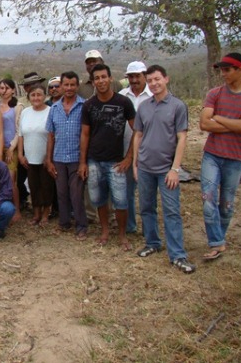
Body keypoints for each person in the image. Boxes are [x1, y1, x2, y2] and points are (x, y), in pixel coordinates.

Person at [199, 52, 241, 261]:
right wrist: (235, 123)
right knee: (208, 199)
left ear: (240, 69)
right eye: (222, 70)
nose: (223, 73)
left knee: (226, 204)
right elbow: (205, 124)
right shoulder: (214, 94)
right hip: (212, 155)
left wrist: (218, 117)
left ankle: (219, 240)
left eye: (227, 69)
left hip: (235, 157)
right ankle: (216, 243)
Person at [133, 65, 196, 273]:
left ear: (166, 79)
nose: (154, 84)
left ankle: (177, 255)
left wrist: (175, 169)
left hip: (166, 169)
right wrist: (135, 163)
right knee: (146, 207)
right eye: (150, 80)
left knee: (171, 211)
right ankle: (152, 242)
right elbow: (138, 136)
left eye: (157, 79)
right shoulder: (144, 107)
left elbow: (182, 138)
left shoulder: (177, 106)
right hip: (145, 167)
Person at [79, 63, 135, 251]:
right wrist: (83, 162)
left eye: (104, 77)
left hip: (116, 161)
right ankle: (104, 231)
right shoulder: (89, 105)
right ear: (93, 81)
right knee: (99, 199)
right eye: (97, 78)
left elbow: (138, 131)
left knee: (121, 201)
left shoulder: (124, 103)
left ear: (110, 78)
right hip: (94, 160)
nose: (101, 81)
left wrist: (129, 158)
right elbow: (85, 135)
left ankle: (122, 234)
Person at [45, 71, 88, 240]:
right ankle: (64, 223)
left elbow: (86, 135)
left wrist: (84, 161)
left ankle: (81, 226)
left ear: (77, 86)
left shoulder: (84, 106)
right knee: (61, 192)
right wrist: (48, 160)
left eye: (72, 85)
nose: (69, 88)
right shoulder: (54, 109)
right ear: (61, 86)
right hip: (59, 158)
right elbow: (50, 136)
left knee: (76, 194)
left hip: (77, 158)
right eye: (66, 85)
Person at [119, 62, 152, 234]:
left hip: (150, 151)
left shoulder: (154, 95)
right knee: (127, 191)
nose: (133, 80)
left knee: (147, 192)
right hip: (126, 149)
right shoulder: (122, 96)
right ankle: (130, 226)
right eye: (130, 76)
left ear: (145, 75)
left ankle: (149, 228)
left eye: (137, 76)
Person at [18, 85, 53, 226]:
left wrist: (48, 157)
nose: (36, 98)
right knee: (33, 186)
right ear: (28, 97)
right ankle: (36, 213)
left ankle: (46, 213)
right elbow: (20, 135)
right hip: (29, 157)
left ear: (45, 96)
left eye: (39, 95)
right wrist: (20, 154)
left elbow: (52, 136)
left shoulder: (51, 111)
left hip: (45, 157)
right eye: (33, 95)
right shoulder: (25, 112)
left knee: (46, 186)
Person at [0, 79, 23, 221]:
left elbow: (19, 129)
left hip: (12, 148)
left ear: (13, 90)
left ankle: (16, 209)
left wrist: (12, 147)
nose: (3, 90)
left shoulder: (18, 106)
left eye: (6, 87)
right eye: (1, 88)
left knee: (11, 181)